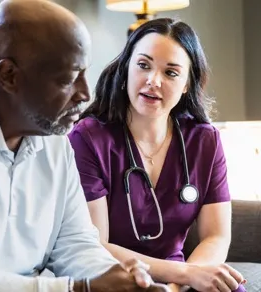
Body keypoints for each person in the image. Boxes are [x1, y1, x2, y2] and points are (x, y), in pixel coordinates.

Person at [0, 1, 170, 291]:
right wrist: (76, 288)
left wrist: (118, 278)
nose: (84, 93)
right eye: (68, 79)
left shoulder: (55, 141)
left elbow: (75, 244)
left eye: (84, 73)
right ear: (9, 76)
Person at [68, 18, 247, 292]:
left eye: (171, 73)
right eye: (143, 65)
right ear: (126, 67)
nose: (153, 81)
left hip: (182, 281)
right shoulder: (88, 139)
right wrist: (184, 274)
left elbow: (216, 236)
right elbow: (96, 246)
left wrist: (179, 285)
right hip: (116, 279)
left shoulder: (204, 140)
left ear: (187, 83)